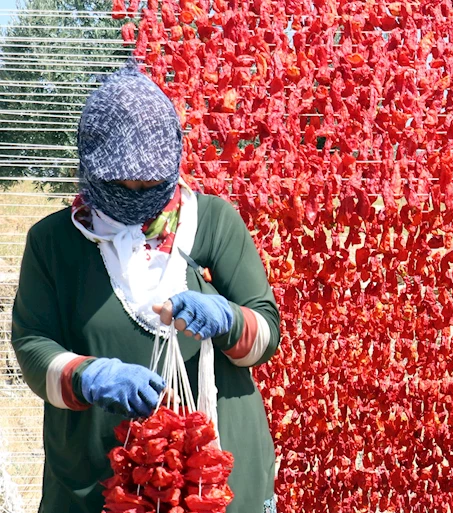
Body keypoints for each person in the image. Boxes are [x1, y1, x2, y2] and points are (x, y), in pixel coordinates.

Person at [11, 58, 281, 513]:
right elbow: (33, 344)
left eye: (151, 180)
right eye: (122, 180)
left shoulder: (213, 223)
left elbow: (268, 333)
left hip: (212, 480)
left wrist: (230, 320)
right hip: (100, 477)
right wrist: (88, 376)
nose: (136, 190)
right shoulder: (54, 243)